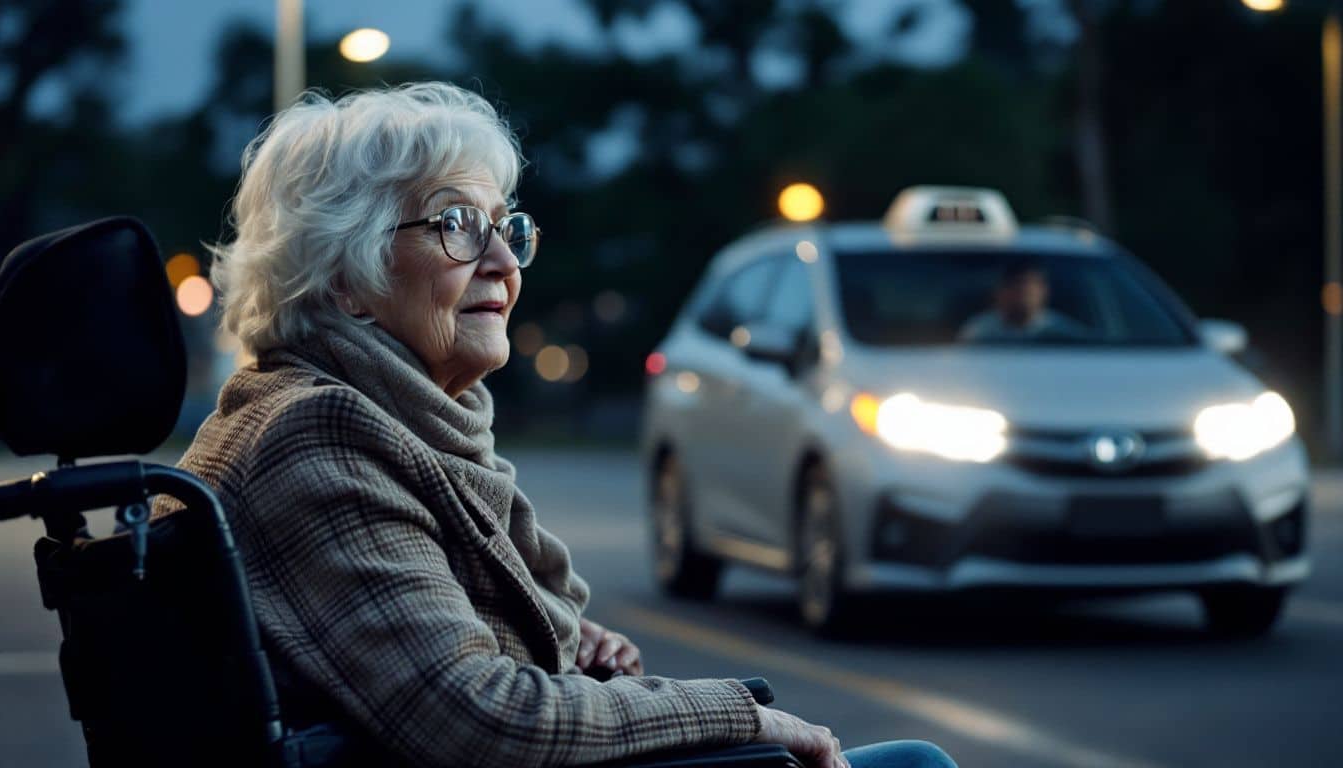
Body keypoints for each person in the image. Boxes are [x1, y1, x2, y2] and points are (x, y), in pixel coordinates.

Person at [161, 82, 957, 768]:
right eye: (455, 226)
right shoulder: (317, 435)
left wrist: (558, 643)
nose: (505, 265)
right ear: (345, 279)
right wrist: (742, 714)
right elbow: (479, 716)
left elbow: (418, 654)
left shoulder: (362, 421)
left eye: (505, 229)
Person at [958, 260, 1088, 342]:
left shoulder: (1065, 334)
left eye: (1029, 286)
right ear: (1000, 292)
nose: (1023, 293)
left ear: (1044, 291)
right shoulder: (979, 332)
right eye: (1016, 285)